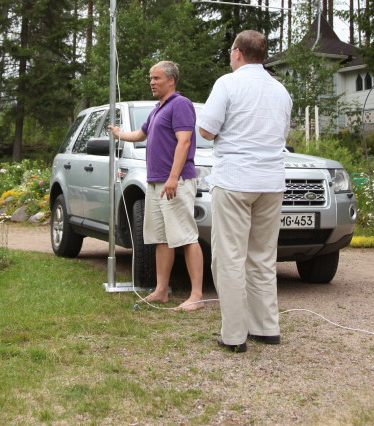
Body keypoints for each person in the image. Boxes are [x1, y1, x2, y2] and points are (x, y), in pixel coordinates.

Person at [197, 30, 293, 353]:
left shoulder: (228, 83)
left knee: (229, 258)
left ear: (237, 52)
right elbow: (281, 132)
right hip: (271, 182)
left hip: (235, 181)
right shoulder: (281, 91)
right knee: (263, 257)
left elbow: (207, 129)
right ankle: (266, 327)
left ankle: (234, 334)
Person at [109, 61, 205, 311]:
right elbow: (141, 135)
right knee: (161, 239)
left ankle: (197, 295)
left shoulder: (180, 104)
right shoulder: (156, 109)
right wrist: (119, 133)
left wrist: (173, 178)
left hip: (176, 181)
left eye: (157, 78)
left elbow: (184, 142)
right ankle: (161, 291)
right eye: (151, 78)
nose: (152, 82)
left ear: (171, 81)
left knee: (186, 237)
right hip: (154, 182)